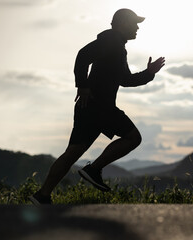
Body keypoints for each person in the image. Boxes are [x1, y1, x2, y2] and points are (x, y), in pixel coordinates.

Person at [29, 8, 165, 205]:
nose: (137, 28)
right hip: (100, 106)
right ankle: (93, 169)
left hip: (89, 107)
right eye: (134, 23)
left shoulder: (116, 45)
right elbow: (82, 55)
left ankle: (42, 195)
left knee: (72, 153)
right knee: (133, 138)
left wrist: (148, 73)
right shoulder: (111, 41)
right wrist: (82, 85)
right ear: (121, 23)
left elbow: (125, 80)